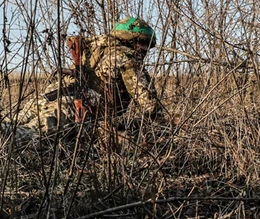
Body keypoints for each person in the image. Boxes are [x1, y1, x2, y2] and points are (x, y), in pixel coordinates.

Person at [19, 15, 164, 133]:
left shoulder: (94, 49)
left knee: (8, 126)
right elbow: (148, 103)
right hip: (70, 107)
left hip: (45, 98)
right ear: (129, 40)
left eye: (147, 45)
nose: (145, 49)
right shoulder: (127, 57)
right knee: (23, 137)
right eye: (142, 43)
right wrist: (165, 126)